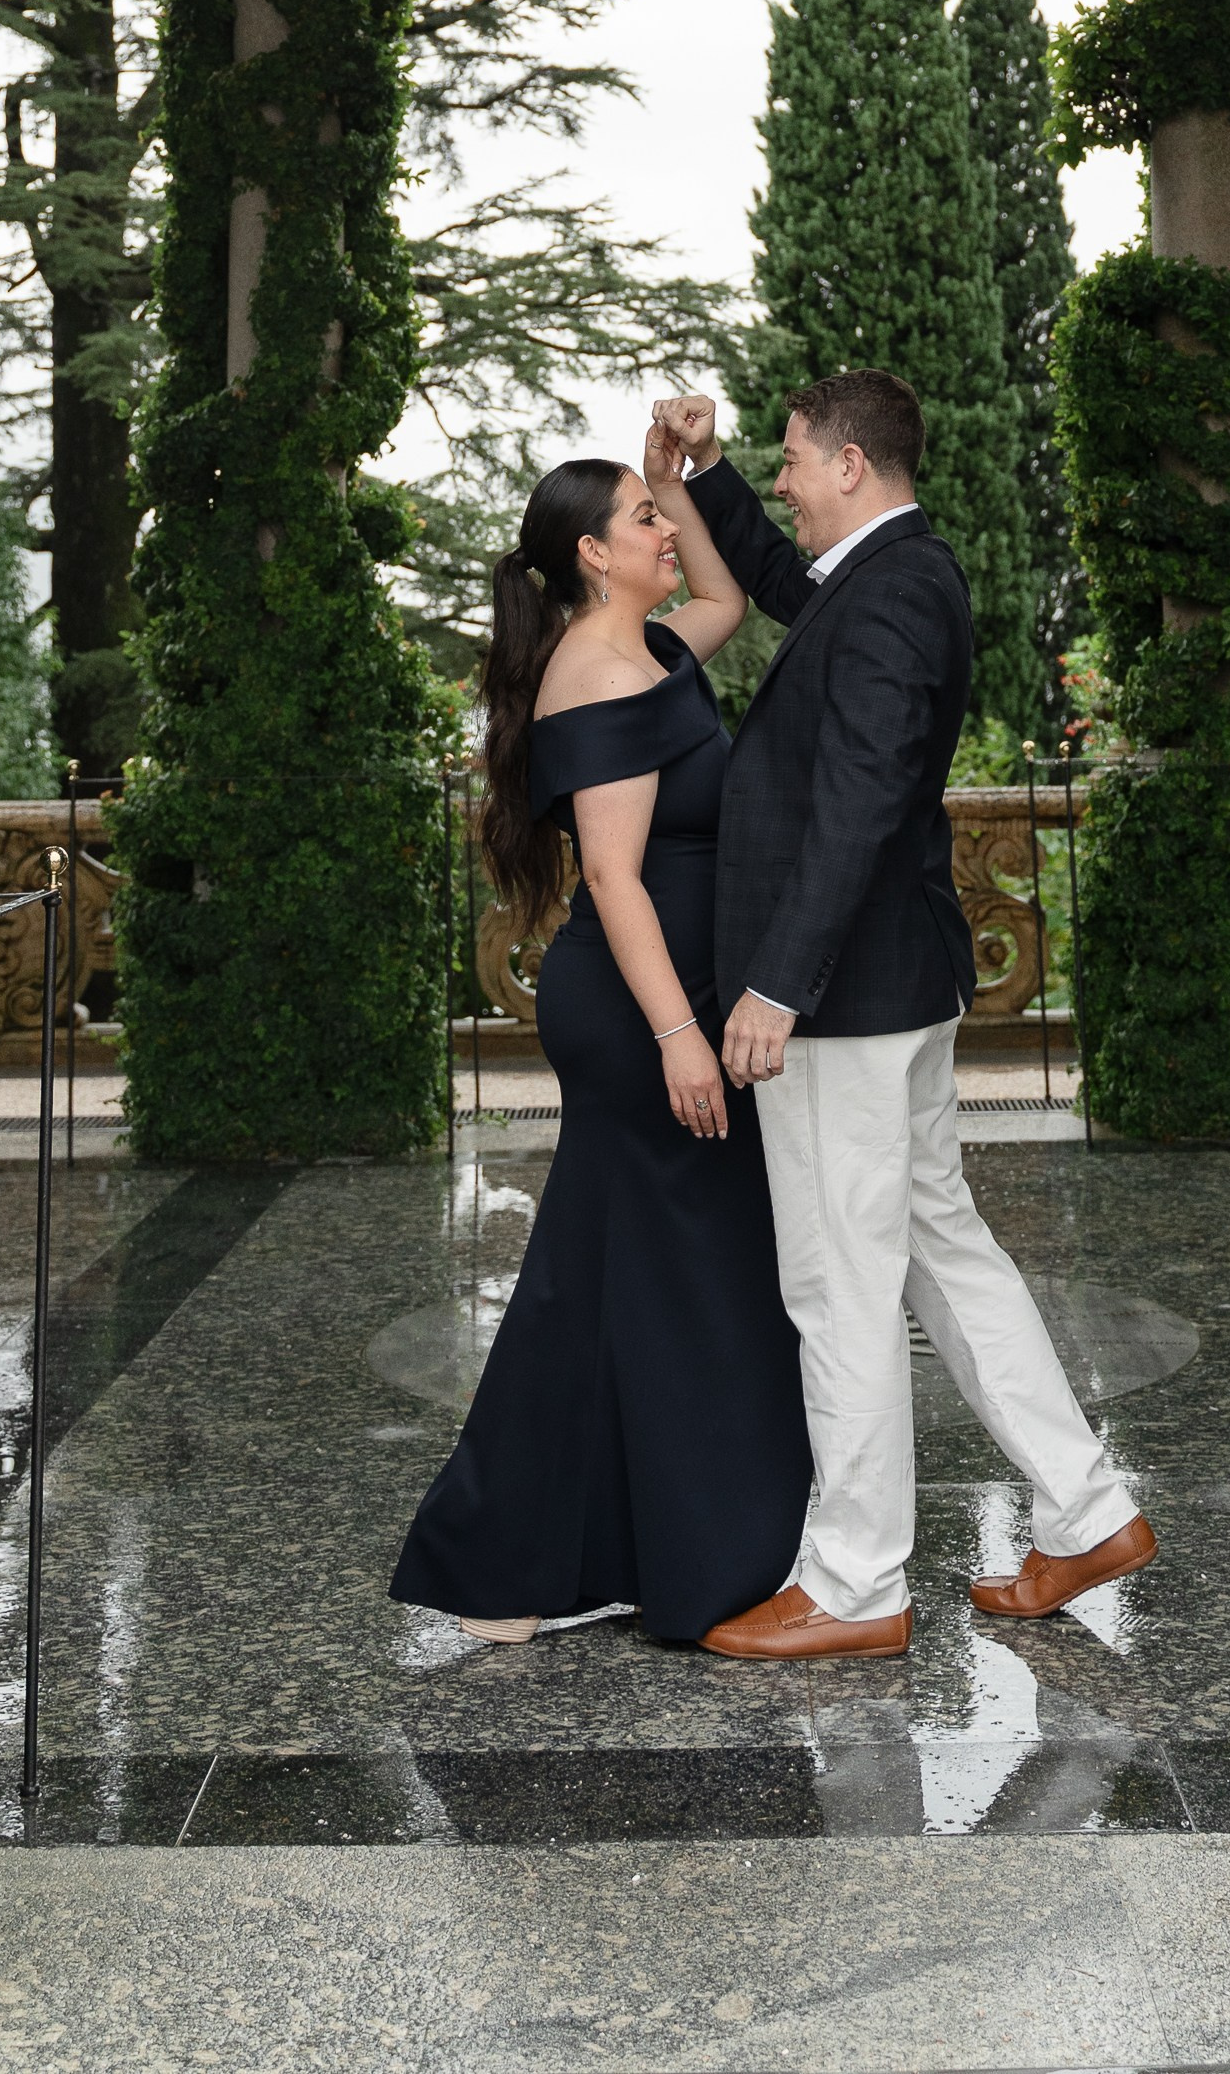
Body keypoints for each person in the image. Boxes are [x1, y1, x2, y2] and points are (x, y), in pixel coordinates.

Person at [652, 371, 1158, 1661]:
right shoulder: (883, 574)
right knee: (941, 1250)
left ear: (854, 465)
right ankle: (1086, 1510)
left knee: (841, 1284)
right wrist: (698, 469)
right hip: (885, 988)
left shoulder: (894, 592)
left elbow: (862, 800)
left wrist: (776, 983)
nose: (780, 481)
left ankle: (856, 1582)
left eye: (791, 462)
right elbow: (777, 582)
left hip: (844, 1002)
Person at [388, 435, 810, 1644]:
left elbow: (730, 595)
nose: (664, 535)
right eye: (640, 520)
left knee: (632, 1280)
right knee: (662, 1279)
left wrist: (678, 472)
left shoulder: (652, 650)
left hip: (663, 998)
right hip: (641, 1011)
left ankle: (545, 1560)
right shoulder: (597, 671)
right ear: (589, 553)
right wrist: (680, 1032)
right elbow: (614, 878)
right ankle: (577, 1558)